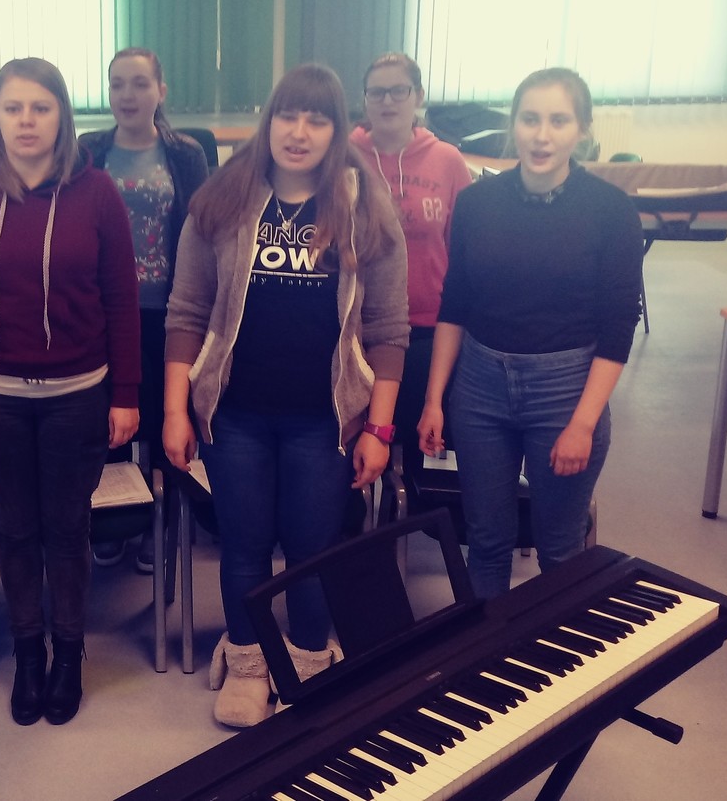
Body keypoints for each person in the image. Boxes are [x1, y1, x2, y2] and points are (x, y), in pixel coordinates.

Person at [162, 63, 409, 729]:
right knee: (244, 543)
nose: (299, 133)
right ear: (268, 121)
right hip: (236, 414)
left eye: (317, 119)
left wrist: (379, 429)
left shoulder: (363, 206)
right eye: (287, 116)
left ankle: (306, 658)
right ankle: (247, 662)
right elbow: (186, 312)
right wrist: (176, 410)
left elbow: (389, 328)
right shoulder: (221, 200)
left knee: (311, 546)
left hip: (324, 420)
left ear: (337, 129)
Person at [0, 57, 141, 727]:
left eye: (40, 108)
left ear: (62, 117)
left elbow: (122, 301)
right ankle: (28, 651)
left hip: (79, 393)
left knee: (68, 528)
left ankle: (69, 652)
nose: (26, 121)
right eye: (13, 107)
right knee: (15, 528)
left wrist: (126, 393)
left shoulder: (97, 193)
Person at [417, 67, 641, 599]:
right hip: (480, 387)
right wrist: (434, 400)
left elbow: (617, 329)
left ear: (582, 130)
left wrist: (583, 425)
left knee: (559, 547)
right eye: (530, 119)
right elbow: (455, 305)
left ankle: (555, 648)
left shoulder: (611, 212)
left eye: (558, 121)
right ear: (513, 125)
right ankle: (489, 647)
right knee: (487, 541)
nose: (542, 135)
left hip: (565, 392)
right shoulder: (477, 203)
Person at [78, 47, 210, 572]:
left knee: (162, 420)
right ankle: (112, 521)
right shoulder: (88, 150)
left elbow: (202, 231)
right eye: (117, 84)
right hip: (101, 313)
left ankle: (161, 524)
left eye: (139, 83)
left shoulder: (185, 154)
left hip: (167, 312)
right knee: (105, 421)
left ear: (161, 91)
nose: (128, 95)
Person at [348, 52, 470, 503]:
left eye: (398, 90)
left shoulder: (448, 161)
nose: (387, 101)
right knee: (353, 445)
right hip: (357, 330)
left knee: (421, 445)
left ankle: (407, 517)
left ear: (418, 96)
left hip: (428, 330)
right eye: (376, 92)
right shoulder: (343, 156)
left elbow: (464, 251)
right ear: (364, 99)